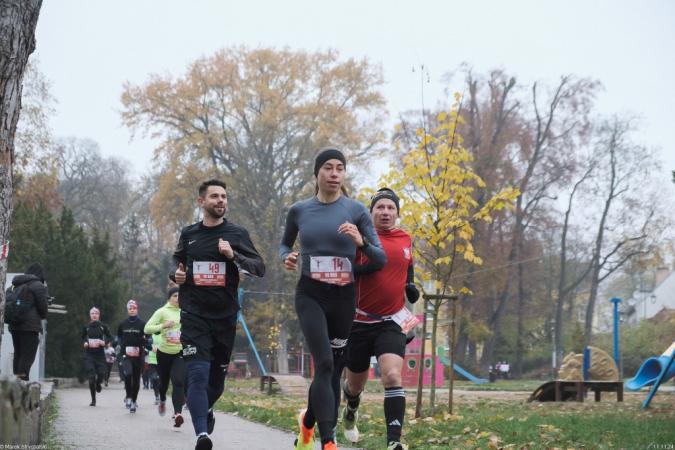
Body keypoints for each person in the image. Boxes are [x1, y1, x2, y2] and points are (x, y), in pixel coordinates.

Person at [279, 148, 387, 450]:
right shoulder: (300, 210)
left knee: (335, 370)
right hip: (310, 294)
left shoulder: (356, 211)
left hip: (343, 297)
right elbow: (284, 243)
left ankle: (308, 423)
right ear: (318, 173)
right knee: (324, 363)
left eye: (340, 168)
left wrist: (360, 241)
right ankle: (329, 441)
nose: (335, 173)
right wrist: (287, 256)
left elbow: (380, 259)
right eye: (328, 167)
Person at [170, 179, 265, 450]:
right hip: (194, 315)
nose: (221, 200)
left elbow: (259, 268)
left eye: (224, 196)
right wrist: (174, 273)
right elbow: (175, 261)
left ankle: (206, 409)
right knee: (198, 375)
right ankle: (202, 435)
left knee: (216, 382)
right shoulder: (189, 234)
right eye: (215, 197)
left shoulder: (236, 233)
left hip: (224, 317)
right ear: (202, 202)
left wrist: (233, 255)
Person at [339, 188, 419, 450]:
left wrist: (410, 284)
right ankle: (351, 407)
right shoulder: (359, 239)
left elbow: (408, 265)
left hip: (392, 321)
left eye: (390, 208)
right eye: (380, 207)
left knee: (393, 377)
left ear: (397, 212)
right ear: (371, 213)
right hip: (359, 322)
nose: (385, 212)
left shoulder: (406, 238)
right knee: (354, 385)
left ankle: (394, 442)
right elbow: (344, 271)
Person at [144, 286, 187, 428]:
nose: (177, 298)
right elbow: (147, 328)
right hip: (164, 353)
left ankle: (177, 413)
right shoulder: (162, 311)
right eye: (175, 295)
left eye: (180, 296)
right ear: (170, 298)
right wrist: (163, 326)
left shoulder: (186, 312)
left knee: (179, 381)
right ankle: (162, 400)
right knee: (164, 383)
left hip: (179, 352)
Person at [6, 262, 49, 381]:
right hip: (30, 327)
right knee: (27, 356)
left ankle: (17, 382)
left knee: (18, 354)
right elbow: (43, 308)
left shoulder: (15, 285)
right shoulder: (38, 285)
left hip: (14, 325)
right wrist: (43, 315)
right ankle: (23, 383)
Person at [116, 300, 151, 413]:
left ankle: (134, 401)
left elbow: (150, 339)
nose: (132, 310)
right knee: (128, 373)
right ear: (127, 310)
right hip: (125, 354)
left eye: (134, 308)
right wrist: (114, 344)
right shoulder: (123, 324)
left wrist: (145, 341)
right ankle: (129, 397)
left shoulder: (142, 324)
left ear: (137, 310)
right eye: (130, 309)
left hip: (138, 355)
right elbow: (118, 337)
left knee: (136, 380)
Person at [81, 307, 113, 406]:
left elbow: (110, 337)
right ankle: (93, 400)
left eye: (96, 314)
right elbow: (82, 337)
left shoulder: (103, 326)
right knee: (91, 377)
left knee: (100, 376)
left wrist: (105, 342)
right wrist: (84, 343)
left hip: (99, 356)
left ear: (98, 315)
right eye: (92, 314)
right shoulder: (86, 327)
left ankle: (99, 383)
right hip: (89, 355)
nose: (94, 315)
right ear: (90, 315)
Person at [147, 332, 161, 403]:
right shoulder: (150, 336)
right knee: (154, 378)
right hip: (152, 360)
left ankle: (161, 395)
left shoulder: (163, 335)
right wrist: (148, 349)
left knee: (162, 380)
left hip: (162, 360)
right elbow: (146, 346)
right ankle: (156, 396)